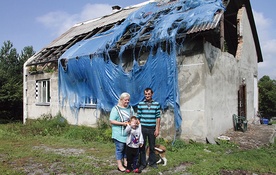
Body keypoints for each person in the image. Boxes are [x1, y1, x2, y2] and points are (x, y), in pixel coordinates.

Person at [137, 87, 161, 170]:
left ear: (152, 94)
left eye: (149, 94)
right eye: (146, 94)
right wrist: (138, 129)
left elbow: (158, 117)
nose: (147, 95)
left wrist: (157, 129)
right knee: (142, 146)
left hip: (152, 128)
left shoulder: (156, 104)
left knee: (152, 146)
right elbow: (138, 117)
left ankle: (152, 162)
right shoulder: (140, 104)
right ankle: (142, 163)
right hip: (143, 128)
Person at [110, 92, 134, 172]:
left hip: (127, 134)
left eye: (128, 100)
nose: (127, 102)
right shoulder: (115, 109)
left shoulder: (130, 108)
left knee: (127, 149)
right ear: (121, 100)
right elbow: (112, 121)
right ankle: (120, 165)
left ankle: (126, 162)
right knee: (120, 149)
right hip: (118, 134)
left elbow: (133, 117)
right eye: (125, 100)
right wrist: (122, 123)